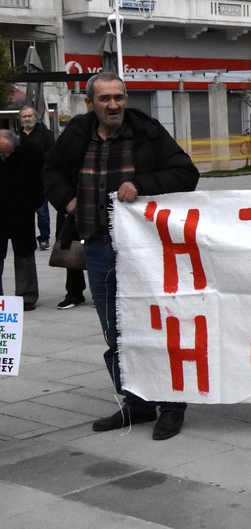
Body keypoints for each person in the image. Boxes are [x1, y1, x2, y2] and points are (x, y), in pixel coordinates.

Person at [44, 73, 199, 440]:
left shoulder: (147, 132)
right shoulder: (77, 135)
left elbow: (185, 173)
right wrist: (68, 201)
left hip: (144, 249)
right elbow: (50, 171)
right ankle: (137, 402)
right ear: (90, 104)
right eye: (105, 99)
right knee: (116, 331)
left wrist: (141, 185)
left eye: (119, 97)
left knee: (157, 326)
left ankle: (171, 406)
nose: (113, 105)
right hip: (97, 247)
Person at [20, 105, 87, 309]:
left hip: (94, 206)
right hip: (69, 205)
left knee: (100, 250)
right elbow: (55, 176)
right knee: (70, 248)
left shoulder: (47, 136)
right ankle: (74, 293)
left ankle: (102, 290)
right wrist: (65, 203)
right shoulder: (64, 152)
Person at [0, 129, 42, 312]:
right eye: (2, 153)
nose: (6, 155)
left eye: (9, 151)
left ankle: (27, 296)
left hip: (22, 210)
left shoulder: (31, 151)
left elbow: (39, 181)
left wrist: (33, 203)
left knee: (25, 253)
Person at [19, 105, 53, 251]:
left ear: (36, 117)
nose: (27, 119)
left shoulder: (46, 134)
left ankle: (44, 238)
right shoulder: (17, 135)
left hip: (40, 179)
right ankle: (26, 238)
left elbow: (51, 155)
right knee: (24, 212)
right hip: (21, 180)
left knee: (42, 211)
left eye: (29, 116)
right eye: (24, 116)